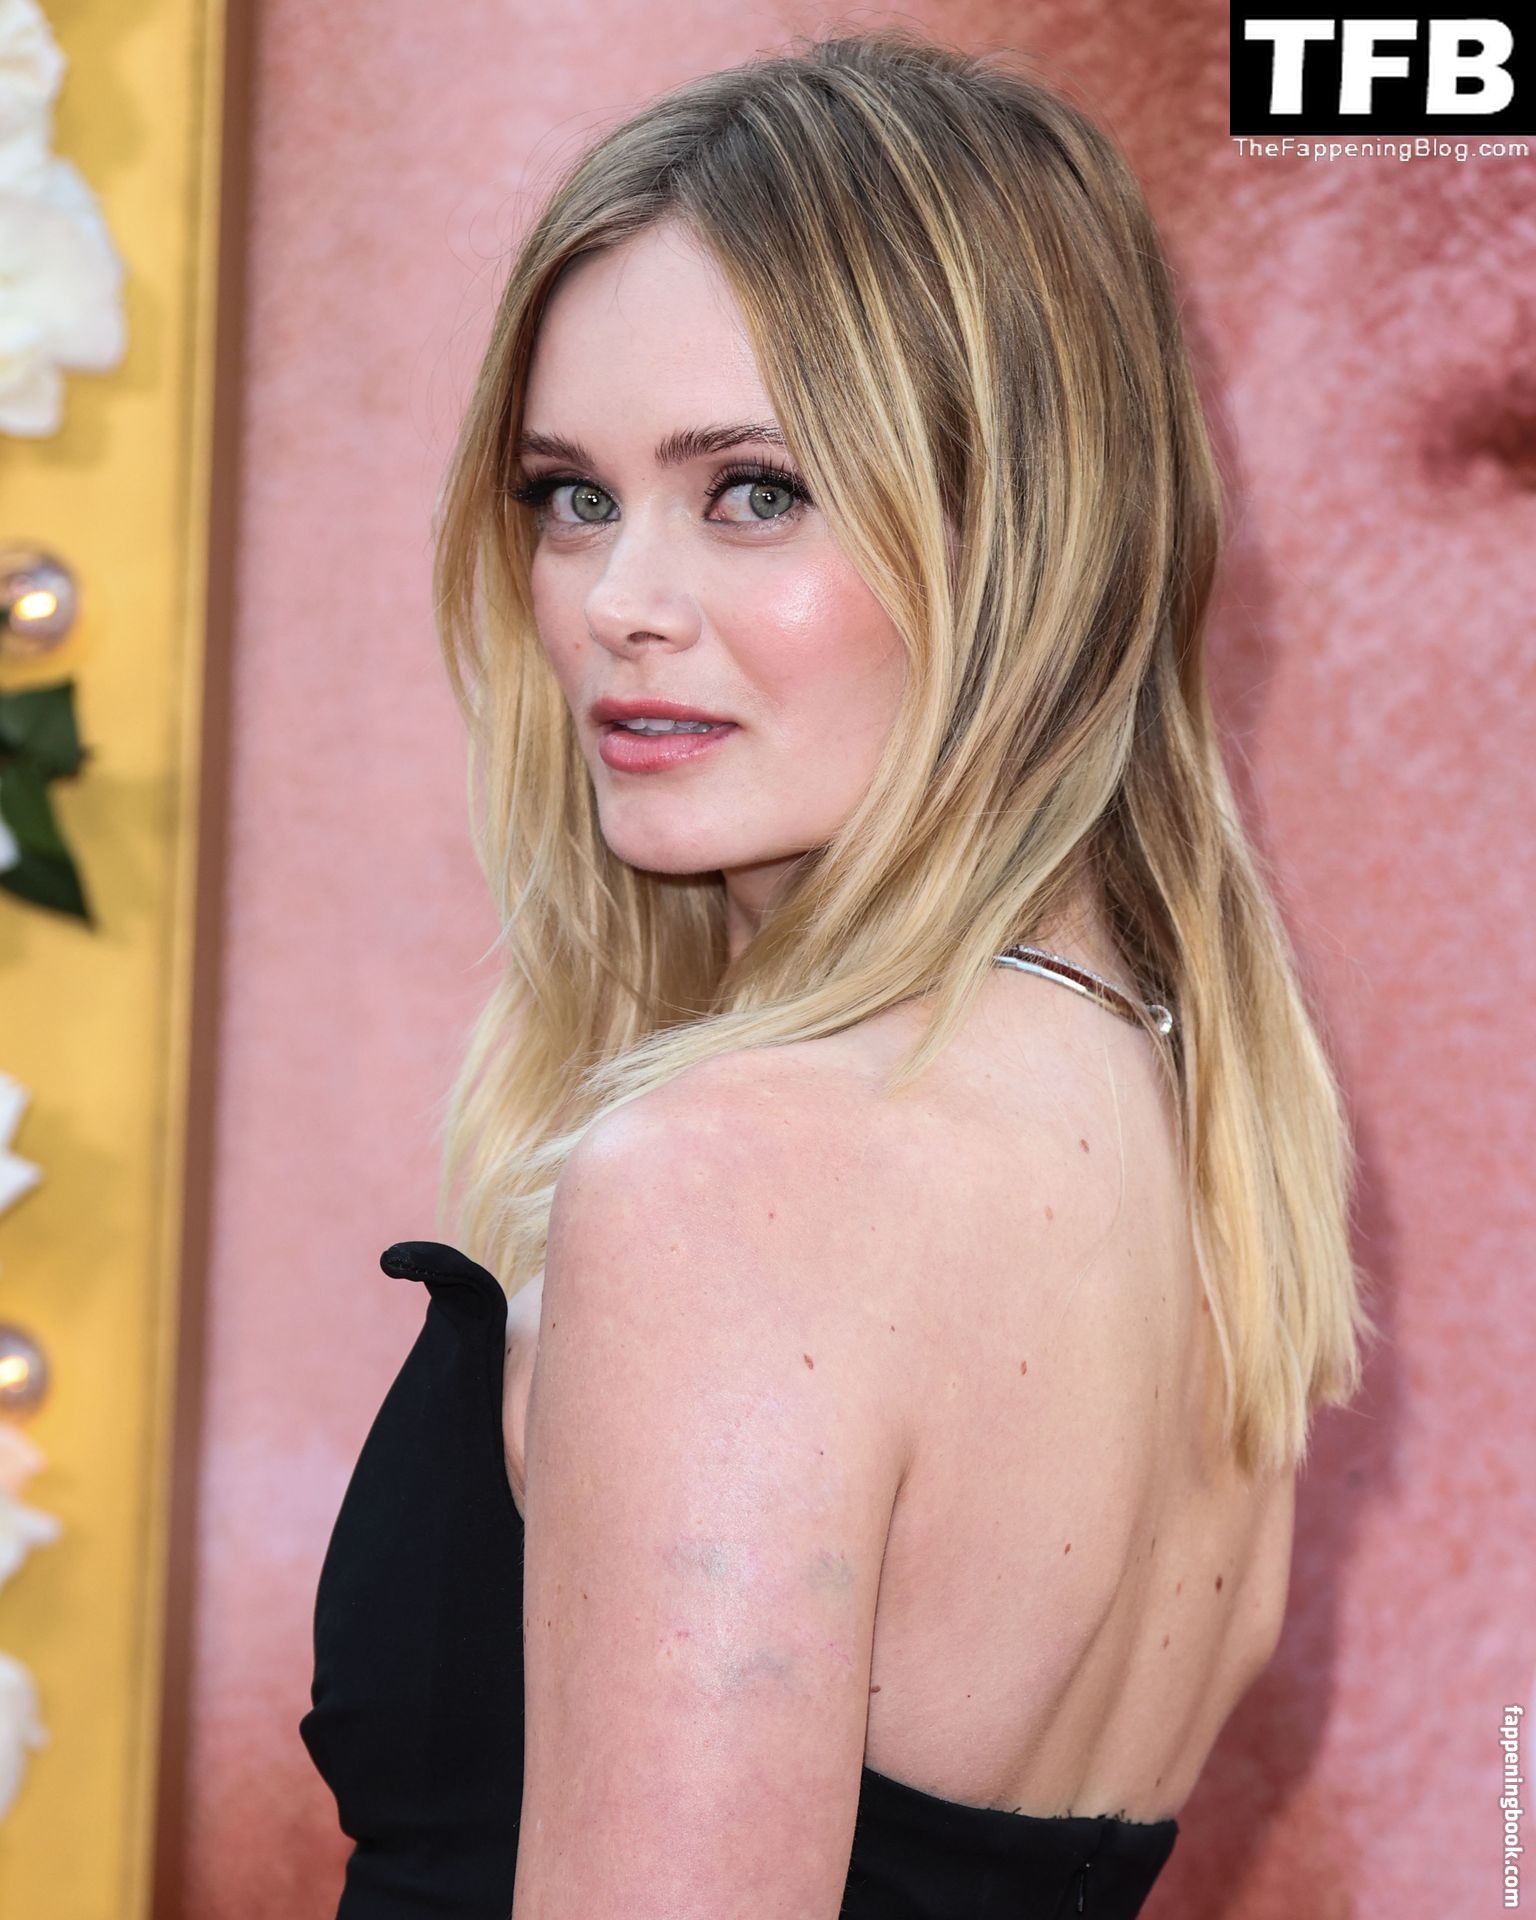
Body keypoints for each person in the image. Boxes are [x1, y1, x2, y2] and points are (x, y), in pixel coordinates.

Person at [300, 24, 1373, 1918]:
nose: (620, 601)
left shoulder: (737, 1181)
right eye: (570, 495)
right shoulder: (1198, 1161)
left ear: (1022, 532)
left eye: (755, 490)